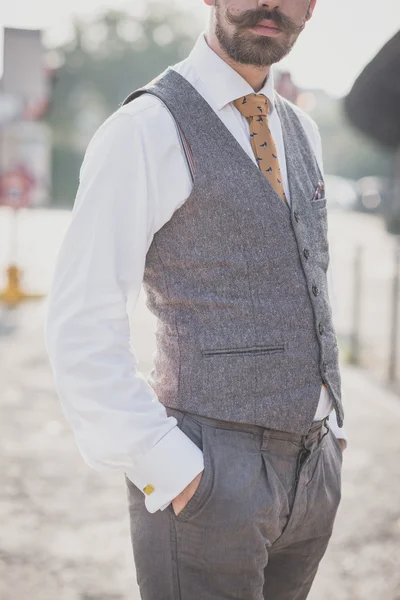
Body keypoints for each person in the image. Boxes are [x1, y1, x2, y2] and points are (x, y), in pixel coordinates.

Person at [45, 1, 348, 598]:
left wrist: (332, 428)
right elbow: (81, 322)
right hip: (208, 471)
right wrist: (169, 468)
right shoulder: (145, 128)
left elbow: (304, 281)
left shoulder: (302, 129)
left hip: (313, 471)